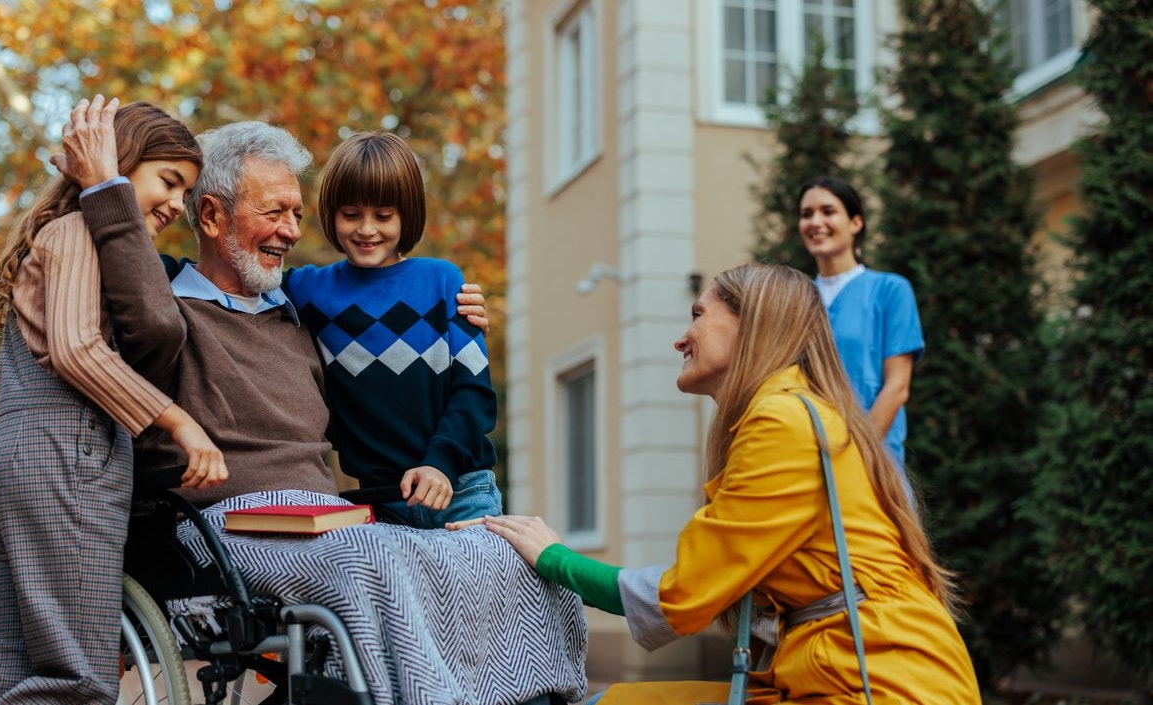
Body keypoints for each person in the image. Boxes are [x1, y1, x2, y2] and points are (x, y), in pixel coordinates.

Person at [55, 97, 586, 705]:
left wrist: (459, 316)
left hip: (324, 515)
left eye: (298, 213)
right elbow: (136, 282)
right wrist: (104, 185)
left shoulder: (297, 308)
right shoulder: (166, 306)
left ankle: (541, 696)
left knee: (510, 556)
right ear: (210, 216)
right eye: (274, 212)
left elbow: (388, 324)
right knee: (370, 561)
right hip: (224, 524)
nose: (291, 232)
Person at [452, 264, 981, 703]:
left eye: (698, 316)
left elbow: (684, 594)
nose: (682, 338)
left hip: (878, 685)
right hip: (845, 673)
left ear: (752, 326)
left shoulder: (781, 419)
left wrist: (554, 558)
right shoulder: (796, 411)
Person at [0, 101, 228, 704]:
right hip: (65, 460)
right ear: (121, 163)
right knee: (76, 679)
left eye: (185, 193)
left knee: (15, 681)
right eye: (168, 181)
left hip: (16, 456)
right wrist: (179, 420)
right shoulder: (79, 232)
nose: (174, 204)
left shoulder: (59, 235)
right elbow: (77, 350)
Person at [285, 131, 499, 528]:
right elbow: (226, 282)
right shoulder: (307, 291)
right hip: (379, 504)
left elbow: (475, 392)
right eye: (351, 214)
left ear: (407, 214)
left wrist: (440, 463)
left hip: (461, 491)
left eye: (383, 216)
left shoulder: (443, 282)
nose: (367, 229)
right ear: (332, 214)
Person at [798, 177, 924, 472]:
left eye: (828, 211)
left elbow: (897, 386)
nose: (816, 222)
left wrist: (855, 455)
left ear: (856, 223)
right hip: (807, 461)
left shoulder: (890, 290)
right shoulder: (798, 300)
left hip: (873, 462)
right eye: (807, 214)